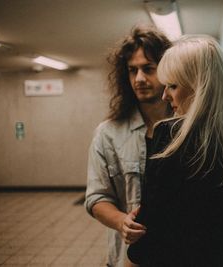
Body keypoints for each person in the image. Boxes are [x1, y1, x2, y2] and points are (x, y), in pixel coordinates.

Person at [127, 35, 223, 267]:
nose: (165, 96)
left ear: (200, 87)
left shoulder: (170, 136)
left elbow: (151, 232)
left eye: (173, 86)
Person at [84, 25, 172, 267]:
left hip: (179, 251)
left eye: (148, 69)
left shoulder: (188, 127)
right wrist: (121, 221)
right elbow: (96, 197)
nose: (140, 79)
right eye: (133, 71)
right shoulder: (108, 134)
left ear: (168, 71)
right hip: (129, 255)